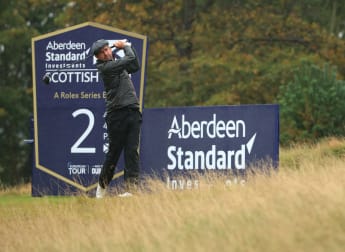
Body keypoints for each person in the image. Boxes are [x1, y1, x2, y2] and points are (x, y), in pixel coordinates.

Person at [91, 39, 142, 198]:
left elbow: (134, 65)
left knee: (132, 152)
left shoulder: (117, 62)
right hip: (116, 115)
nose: (107, 52)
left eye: (107, 49)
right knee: (114, 153)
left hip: (133, 111)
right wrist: (126, 46)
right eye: (103, 52)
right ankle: (101, 188)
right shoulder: (105, 67)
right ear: (98, 57)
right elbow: (128, 59)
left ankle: (131, 190)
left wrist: (130, 47)